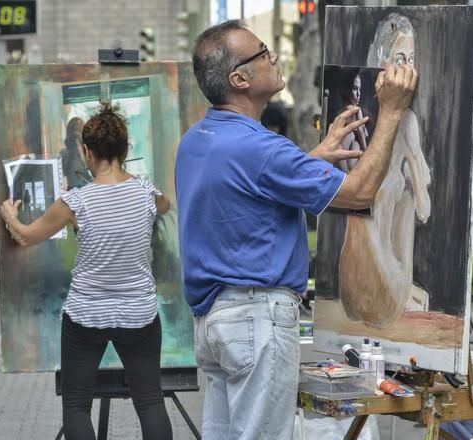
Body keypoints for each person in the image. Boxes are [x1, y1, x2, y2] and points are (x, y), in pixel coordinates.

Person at [174, 20, 417, 439]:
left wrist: (311, 159)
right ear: (240, 78)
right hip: (255, 321)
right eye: (262, 52)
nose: (273, 56)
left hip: (215, 321)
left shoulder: (199, 137)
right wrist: (393, 110)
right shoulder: (262, 149)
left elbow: (251, 186)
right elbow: (358, 192)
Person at [0, 103, 173, 440]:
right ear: (125, 150)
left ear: (86, 151)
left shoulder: (76, 202)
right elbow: (164, 205)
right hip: (138, 313)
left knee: (77, 405)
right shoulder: (147, 194)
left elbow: (24, 236)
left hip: (86, 314)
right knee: (150, 400)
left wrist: (9, 214)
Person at [339, 12, 432, 325]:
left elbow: (423, 209)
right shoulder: (354, 123)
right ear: (381, 62)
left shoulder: (407, 124)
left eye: (412, 59)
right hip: (351, 286)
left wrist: (414, 174)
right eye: (399, 59)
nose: (408, 69)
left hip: (385, 286)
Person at [337, 70, 368, 172]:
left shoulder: (340, 112)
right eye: (355, 89)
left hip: (343, 159)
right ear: (346, 90)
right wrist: (367, 153)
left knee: (355, 143)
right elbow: (360, 131)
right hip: (345, 155)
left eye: (360, 89)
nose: (358, 94)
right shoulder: (356, 110)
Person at [60, 117, 91, 189]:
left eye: (81, 128)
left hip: (89, 188)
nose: (78, 132)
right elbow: (63, 175)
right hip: (74, 189)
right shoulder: (65, 153)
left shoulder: (89, 150)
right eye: (76, 128)